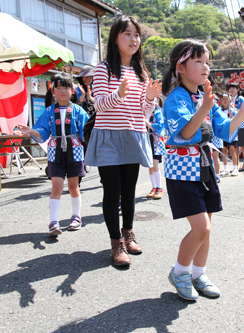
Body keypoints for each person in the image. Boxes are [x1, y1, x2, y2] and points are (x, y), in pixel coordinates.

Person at [161, 39, 244, 301]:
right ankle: (180, 272)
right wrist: (206, 107)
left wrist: (242, 112)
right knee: (202, 228)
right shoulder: (176, 98)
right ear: (180, 68)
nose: (205, 66)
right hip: (182, 171)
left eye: (207, 61)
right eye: (198, 61)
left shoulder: (203, 96)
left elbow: (224, 131)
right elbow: (185, 132)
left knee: (207, 226)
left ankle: (199, 274)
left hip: (205, 169)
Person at [84, 15, 162, 267]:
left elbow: (145, 112)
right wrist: (117, 94)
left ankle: (129, 234)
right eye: (127, 34)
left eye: (136, 35)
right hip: (108, 136)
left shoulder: (141, 71)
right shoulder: (103, 68)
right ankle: (115, 242)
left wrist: (149, 98)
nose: (133, 39)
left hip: (133, 135)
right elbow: (101, 106)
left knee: (129, 192)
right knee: (113, 191)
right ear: (115, 38)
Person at [17, 72, 89, 236]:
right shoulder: (49, 111)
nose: (63, 91)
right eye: (59, 88)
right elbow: (42, 130)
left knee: (73, 187)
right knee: (56, 186)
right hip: (54, 152)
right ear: (53, 91)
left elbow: (86, 131)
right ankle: (53, 222)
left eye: (66, 87)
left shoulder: (79, 111)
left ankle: (76, 217)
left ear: (72, 90)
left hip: (75, 152)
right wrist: (30, 130)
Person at [145, 96, 166, 199]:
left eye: (154, 100)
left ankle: (159, 188)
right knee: (149, 166)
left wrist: (148, 124)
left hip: (155, 141)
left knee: (154, 165)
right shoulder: (144, 112)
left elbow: (160, 126)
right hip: (146, 140)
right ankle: (153, 188)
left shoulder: (158, 112)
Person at [228, 83, 244, 171]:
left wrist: (234, 108)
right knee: (235, 146)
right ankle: (236, 165)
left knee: (243, 145)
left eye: (233, 88)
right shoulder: (228, 99)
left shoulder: (241, 99)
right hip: (233, 125)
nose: (231, 90)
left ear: (238, 89)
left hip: (241, 125)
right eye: (230, 88)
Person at [219, 93, 239, 177]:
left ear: (230, 101)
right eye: (223, 99)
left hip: (232, 133)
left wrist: (232, 118)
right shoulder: (219, 110)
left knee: (232, 150)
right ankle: (226, 168)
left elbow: (237, 121)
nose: (225, 100)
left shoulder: (233, 110)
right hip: (223, 132)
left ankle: (235, 168)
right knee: (224, 150)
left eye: (226, 99)